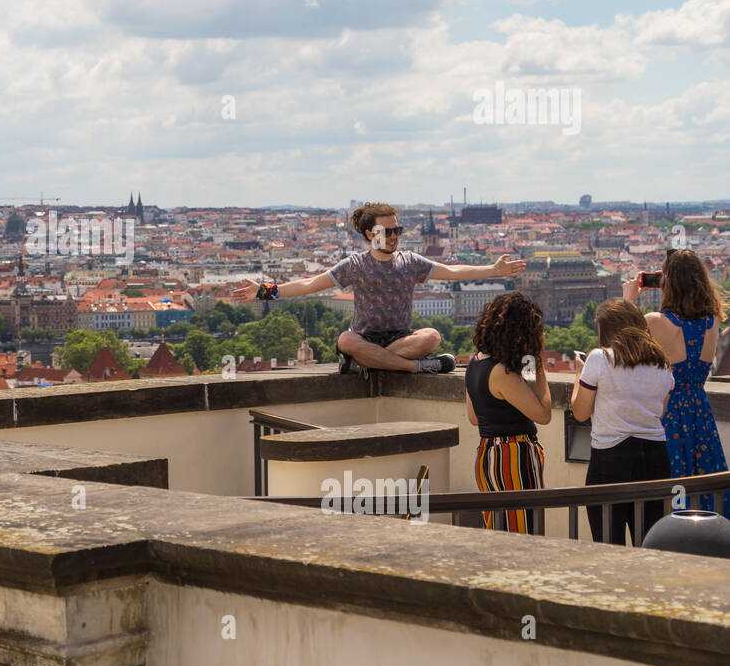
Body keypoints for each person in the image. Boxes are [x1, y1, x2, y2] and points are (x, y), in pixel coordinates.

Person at [231, 202, 526, 373]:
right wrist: (264, 290)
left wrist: (493, 270)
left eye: (397, 230)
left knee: (432, 336)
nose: (395, 236)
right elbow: (310, 284)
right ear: (371, 234)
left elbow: (451, 271)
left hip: (400, 338)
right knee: (347, 341)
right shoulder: (355, 264)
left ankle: (369, 363)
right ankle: (417, 368)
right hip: (365, 338)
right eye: (389, 231)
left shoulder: (410, 261)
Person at [625, 249, 729, 515]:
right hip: (700, 409)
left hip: (668, 411)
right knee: (706, 488)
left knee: (668, 492)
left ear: (667, 284)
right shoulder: (712, 321)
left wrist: (629, 301)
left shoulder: (655, 322)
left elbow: (622, 349)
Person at [570, 299, 672, 545]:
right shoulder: (663, 365)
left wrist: (578, 375)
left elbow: (580, 412)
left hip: (611, 461)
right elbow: (659, 414)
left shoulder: (599, 359)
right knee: (649, 545)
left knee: (609, 545)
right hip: (655, 459)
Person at [464, 292, 551, 533]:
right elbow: (543, 413)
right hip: (514, 455)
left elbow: (473, 418)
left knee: (498, 530)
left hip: (488, 455)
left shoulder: (475, 363)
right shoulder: (503, 374)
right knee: (524, 531)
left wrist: (529, 363)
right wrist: (540, 363)